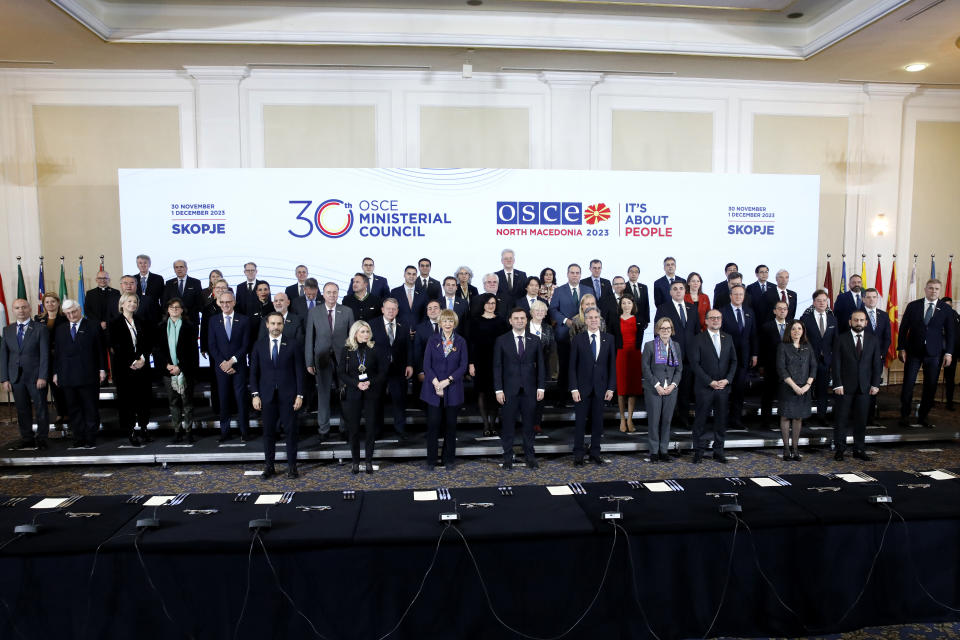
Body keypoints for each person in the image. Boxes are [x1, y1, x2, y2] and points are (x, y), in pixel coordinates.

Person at [251, 312, 305, 478]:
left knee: (291, 431)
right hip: (266, 396)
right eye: (273, 323)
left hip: (288, 396)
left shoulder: (293, 344)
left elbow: (299, 372)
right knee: (268, 432)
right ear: (267, 325)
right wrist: (255, 394)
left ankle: (292, 467)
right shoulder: (258, 345)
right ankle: (269, 467)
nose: (276, 327)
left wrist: (300, 395)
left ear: (283, 325)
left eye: (279, 324)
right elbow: (253, 372)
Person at [897, 278, 954, 428]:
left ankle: (923, 416)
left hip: (934, 354)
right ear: (925, 289)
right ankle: (904, 415)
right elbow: (903, 329)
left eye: (936, 289)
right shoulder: (913, 306)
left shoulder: (946, 309)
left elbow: (951, 333)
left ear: (939, 291)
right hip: (913, 352)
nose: (933, 291)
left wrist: (949, 353)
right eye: (930, 288)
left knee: (931, 385)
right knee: (908, 384)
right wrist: (901, 348)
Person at [494, 308, 545, 469]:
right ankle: (508, 457)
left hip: (530, 389)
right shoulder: (501, 340)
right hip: (509, 390)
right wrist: (498, 389)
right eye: (516, 318)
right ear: (510, 321)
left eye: (522, 318)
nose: (519, 321)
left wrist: (541, 387)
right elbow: (497, 367)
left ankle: (530, 456)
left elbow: (541, 367)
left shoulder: (535, 339)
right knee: (508, 425)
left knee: (529, 426)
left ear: (527, 320)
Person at [54, 299, 107, 448]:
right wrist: (56, 372)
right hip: (67, 375)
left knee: (89, 407)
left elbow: (101, 350)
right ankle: (78, 436)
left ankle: (90, 437)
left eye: (74, 311)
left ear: (79, 310)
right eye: (68, 313)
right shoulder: (60, 329)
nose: (71, 315)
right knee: (73, 408)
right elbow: (57, 353)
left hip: (88, 374)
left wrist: (102, 369)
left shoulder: (93, 325)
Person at [305, 282, 354, 440]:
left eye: (334, 292)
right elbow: (309, 339)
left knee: (344, 394)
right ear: (323, 294)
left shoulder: (347, 311)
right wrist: (309, 361)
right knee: (323, 394)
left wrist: (352, 360)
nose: (332, 295)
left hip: (343, 359)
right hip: (321, 359)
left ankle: (345, 428)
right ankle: (323, 430)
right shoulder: (314, 312)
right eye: (329, 292)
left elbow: (353, 338)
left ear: (338, 293)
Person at [421, 309, 468, 469]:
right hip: (432, 390)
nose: (448, 324)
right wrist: (436, 383)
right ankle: (431, 461)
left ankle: (449, 460)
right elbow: (426, 365)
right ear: (440, 323)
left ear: (454, 323)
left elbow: (463, 367)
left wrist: (446, 382)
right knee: (433, 426)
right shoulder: (432, 340)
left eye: (450, 321)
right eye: (445, 321)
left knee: (450, 426)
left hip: (452, 389)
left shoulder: (461, 341)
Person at [689, 309, 737, 464]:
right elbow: (695, 364)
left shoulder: (728, 338)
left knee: (721, 421)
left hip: (723, 387)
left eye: (718, 318)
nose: (716, 320)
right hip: (705, 387)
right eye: (712, 318)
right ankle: (698, 451)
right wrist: (709, 381)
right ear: (706, 321)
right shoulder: (698, 339)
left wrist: (727, 380)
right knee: (700, 421)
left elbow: (734, 362)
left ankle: (718, 451)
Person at [833, 310, 882, 461]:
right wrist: (837, 384)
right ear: (850, 322)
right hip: (845, 387)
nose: (859, 323)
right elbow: (836, 364)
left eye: (861, 320)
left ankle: (859, 449)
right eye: (856, 320)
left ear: (866, 322)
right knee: (841, 419)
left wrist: (875, 384)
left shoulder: (873, 340)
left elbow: (876, 364)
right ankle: (840, 449)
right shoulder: (841, 339)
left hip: (865, 387)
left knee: (861, 420)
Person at [569, 308, 616, 465]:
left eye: (597, 317)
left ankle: (595, 453)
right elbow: (572, 367)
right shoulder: (578, 339)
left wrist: (611, 387)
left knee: (598, 423)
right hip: (581, 389)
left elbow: (612, 366)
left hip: (601, 388)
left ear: (600, 320)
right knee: (580, 423)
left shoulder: (609, 339)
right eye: (590, 318)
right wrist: (574, 388)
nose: (594, 320)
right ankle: (578, 455)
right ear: (585, 320)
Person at [1, 298, 49, 450]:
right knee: (22, 409)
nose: (20, 310)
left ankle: (42, 438)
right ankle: (27, 438)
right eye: (17, 308)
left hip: (36, 377)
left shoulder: (40, 328)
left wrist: (43, 376)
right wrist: (4, 378)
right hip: (16, 377)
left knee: (41, 407)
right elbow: (4, 356)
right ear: (13, 310)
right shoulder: (7, 330)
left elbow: (45, 354)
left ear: (29, 309)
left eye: (23, 307)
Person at [108, 292, 153, 446]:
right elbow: (116, 346)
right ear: (122, 304)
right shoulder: (114, 323)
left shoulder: (142, 321)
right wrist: (132, 361)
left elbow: (147, 344)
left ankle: (144, 428)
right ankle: (131, 431)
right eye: (129, 301)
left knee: (143, 399)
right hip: (124, 369)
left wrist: (142, 359)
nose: (132, 304)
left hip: (142, 367)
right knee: (128, 401)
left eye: (135, 301)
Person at [654, 280, 700, 427]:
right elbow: (657, 333)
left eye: (681, 288)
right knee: (668, 388)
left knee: (685, 389)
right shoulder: (663, 308)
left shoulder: (692, 308)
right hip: (669, 355)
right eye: (675, 289)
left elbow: (697, 332)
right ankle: (667, 420)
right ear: (670, 292)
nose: (678, 291)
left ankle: (684, 419)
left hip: (688, 357)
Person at [207, 291, 251, 442]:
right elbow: (212, 346)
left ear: (234, 302)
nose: (225, 305)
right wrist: (224, 364)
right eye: (222, 302)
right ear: (219, 303)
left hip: (239, 367)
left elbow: (245, 345)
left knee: (241, 400)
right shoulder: (213, 320)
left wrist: (232, 361)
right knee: (223, 400)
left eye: (228, 302)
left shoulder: (244, 320)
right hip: (221, 368)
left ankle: (244, 432)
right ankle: (225, 432)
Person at [154, 297, 199, 443]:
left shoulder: (190, 326)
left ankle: (189, 431)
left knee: (187, 402)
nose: (174, 309)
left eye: (177, 307)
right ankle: (177, 430)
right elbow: (157, 350)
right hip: (168, 370)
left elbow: (192, 351)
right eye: (172, 307)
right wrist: (167, 366)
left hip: (185, 370)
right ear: (167, 309)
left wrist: (180, 367)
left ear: (182, 310)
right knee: (173, 402)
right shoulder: (160, 327)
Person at [371, 298, 413, 440]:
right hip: (378, 370)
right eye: (388, 308)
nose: (391, 311)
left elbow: (409, 347)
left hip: (398, 369)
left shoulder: (404, 324)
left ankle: (400, 430)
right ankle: (377, 431)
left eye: (394, 309)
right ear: (382, 309)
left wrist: (409, 364)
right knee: (377, 401)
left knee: (399, 400)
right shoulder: (372, 324)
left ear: (397, 311)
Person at [642, 317, 682, 463]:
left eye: (668, 328)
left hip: (671, 389)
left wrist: (673, 385)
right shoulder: (649, 346)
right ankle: (654, 451)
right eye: (663, 328)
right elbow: (645, 369)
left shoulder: (676, 346)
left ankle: (664, 450)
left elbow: (679, 370)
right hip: (654, 389)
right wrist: (657, 385)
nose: (665, 331)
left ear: (672, 330)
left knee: (666, 420)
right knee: (654, 420)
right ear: (657, 330)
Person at [468, 293, 509, 436]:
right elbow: (472, 344)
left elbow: (506, 344)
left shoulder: (502, 321)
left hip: (497, 362)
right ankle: (486, 425)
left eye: (493, 303)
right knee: (482, 393)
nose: (491, 305)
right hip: (480, 361)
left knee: (495, 393)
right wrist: (471, 363)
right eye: (488, 303)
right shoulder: (475, 321)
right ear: (483, 304)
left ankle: (493, 424)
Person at [776, 319, 816, 461]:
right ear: (789, 331)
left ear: (803, 331)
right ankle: (786, 448)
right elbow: (781, 369)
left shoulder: (807, 346)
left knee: (798, 417)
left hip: (804, 388)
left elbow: (813, 367)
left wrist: (807, 385)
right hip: (788, 387)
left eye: (799, 328)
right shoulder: (783, 346)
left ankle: (795, 448)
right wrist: (794, 386)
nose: (796, 331)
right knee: (786, 416)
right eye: (793, 329)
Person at [719, 283, 757, 428]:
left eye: (741, 294)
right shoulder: (722, 312)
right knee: (724, 390)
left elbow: (753, 335)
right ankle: (722, 420)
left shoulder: (749, 312)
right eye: (736, 294)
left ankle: (736, 419)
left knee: (739, 390)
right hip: (726, 358)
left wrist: (754, 354)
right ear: (730, 296)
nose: (738, 297)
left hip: (744, 358)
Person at [801, 290, 837, 426]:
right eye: (819, 300)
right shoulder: (806, 318)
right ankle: (804, 415)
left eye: (824, 300)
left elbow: (835, 341)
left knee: (823, 390)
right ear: (814, 302)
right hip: (808, 360)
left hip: (825, 361)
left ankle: (821, 416)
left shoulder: (833, 319)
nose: (822, 303)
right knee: (807, 389)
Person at [35, 292, 69, 426]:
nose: (50, 304)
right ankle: (51, 414)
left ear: (58, 303)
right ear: (43, 304)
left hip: (60, 357)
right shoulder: (38, 319)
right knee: (46, 388)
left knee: (58, 387)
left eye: (53, 301)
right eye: (47, 302)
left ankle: (63, 413)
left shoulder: (65, 317)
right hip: (43, 358)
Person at [759, 301, 791, 430]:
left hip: (788, 368)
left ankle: (783, 420)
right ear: (774, 311)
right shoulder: (767, 326)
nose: (782, 311)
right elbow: (762, 347)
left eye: (785, 309)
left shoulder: (792, 326)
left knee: (784, 395)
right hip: (771, 366)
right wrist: (761, 365)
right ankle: (765, 422)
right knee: (768, 395)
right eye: (780, 309)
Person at [614, 294, 644, 433]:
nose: (626, 305)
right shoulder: (615, 320)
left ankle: (630, 419)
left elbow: (640, 339)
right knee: (621, 388)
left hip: (634, 355)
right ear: (620, 305)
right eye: (624, 303)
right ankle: (622, 418)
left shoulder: (639, 319)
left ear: (633, 305)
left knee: (632, 388)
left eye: (629, 303)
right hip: (620, 354)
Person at [862, 287, 891, 424]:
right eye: (868, 297)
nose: (871, 299)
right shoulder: (858, 315)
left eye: (874, 297)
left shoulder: (884, 315)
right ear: (863, 299)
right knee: (861, 387)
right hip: (861, 358)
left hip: (877, 358)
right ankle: (859, 416)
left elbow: (887, 338)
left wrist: (881, 354)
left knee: (874, 387)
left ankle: (870, 418)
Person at [528, 300, 554, 432]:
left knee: (540, 396)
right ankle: (527, 422)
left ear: (545, 314)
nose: (539, 313)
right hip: (526, 367)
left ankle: (537, 423)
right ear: (531, 312)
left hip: (542, 366)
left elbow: (551, 348)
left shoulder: (548, 328)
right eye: (536, 310)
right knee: (527, 396)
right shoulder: (524, 326)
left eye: (542, 311)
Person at [162, 259, 203, 324]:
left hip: (191, 320)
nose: (179, 269)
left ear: (186, 268)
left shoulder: (196, 282)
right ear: (174, 270)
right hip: (174, 321)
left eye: (181, 267)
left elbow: (199, 302)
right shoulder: (169, 283)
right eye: (176, 267)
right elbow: (165, 303)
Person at [391, 265, 428, 331]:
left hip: (419, 332)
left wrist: (421, 328)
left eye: (414, 274)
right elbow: (392, 312)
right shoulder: (395, 292)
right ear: (404, 275)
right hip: (400, 331)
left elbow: (425, 313)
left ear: (416, 276)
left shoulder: (423, 292)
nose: (411, 276)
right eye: (409, 274)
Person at [942, 298, 960, 411]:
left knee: (950, 378)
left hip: (951, 351)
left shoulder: (955, 315)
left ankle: (949, 402)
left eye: (949, 306)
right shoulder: (936, 313)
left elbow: (958, 335)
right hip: (936, 350)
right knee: (931, 377)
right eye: (945, 306)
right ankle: (929, 400)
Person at [624, 265, 651, 331]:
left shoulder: (644, 287)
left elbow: (646, 304)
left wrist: (647, 321)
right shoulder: (624, 286)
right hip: (627, 321)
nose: (634, 274)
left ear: (638, 274)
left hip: (641, 322)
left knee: (639, 341)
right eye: (631, 272)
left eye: (636, 272)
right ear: (628, 274)